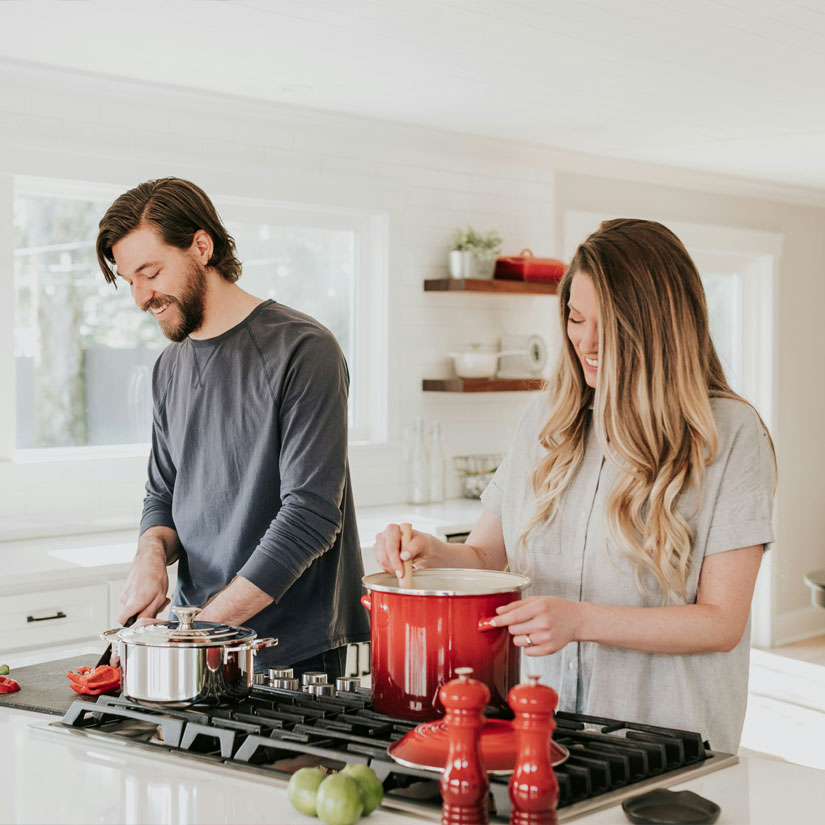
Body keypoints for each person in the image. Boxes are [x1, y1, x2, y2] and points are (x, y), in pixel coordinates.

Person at [375, 218, 776, 753]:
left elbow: (721, 621)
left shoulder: (729, 434)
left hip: (663, 742)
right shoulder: (546, 419)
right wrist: (433, 555)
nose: (585, 341)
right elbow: (488, 555)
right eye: (575, 317)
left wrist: (582, 621)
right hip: (542, 730)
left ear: (658, 326)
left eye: (606, 324)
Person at [96, 177, 369, 680]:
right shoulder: (169, 366)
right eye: (129, 280)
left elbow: (311, 517)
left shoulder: (304, 350)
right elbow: (163, 494)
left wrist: (198, 634)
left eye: (150, 272)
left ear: (202, 246)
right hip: (193, 640)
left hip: (290, 653)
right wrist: (150, 555)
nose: (140, 297)